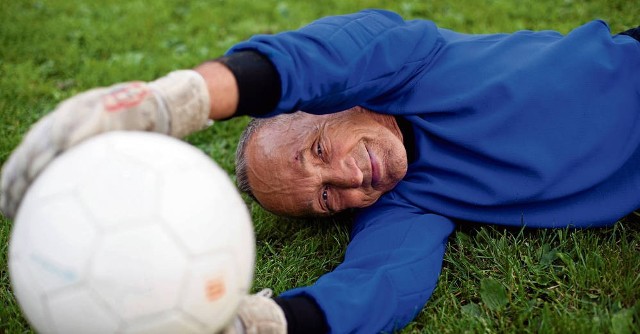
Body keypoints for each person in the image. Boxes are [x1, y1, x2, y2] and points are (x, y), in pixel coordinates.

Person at [1, 9, 639, 334]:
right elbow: (382, 285)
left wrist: (173, 101)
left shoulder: (416, 64)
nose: (347, 184)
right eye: (328, 201)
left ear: (336, 104)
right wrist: (268, 323)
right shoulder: (406, 205)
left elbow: (318, 56)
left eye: (316, 155)